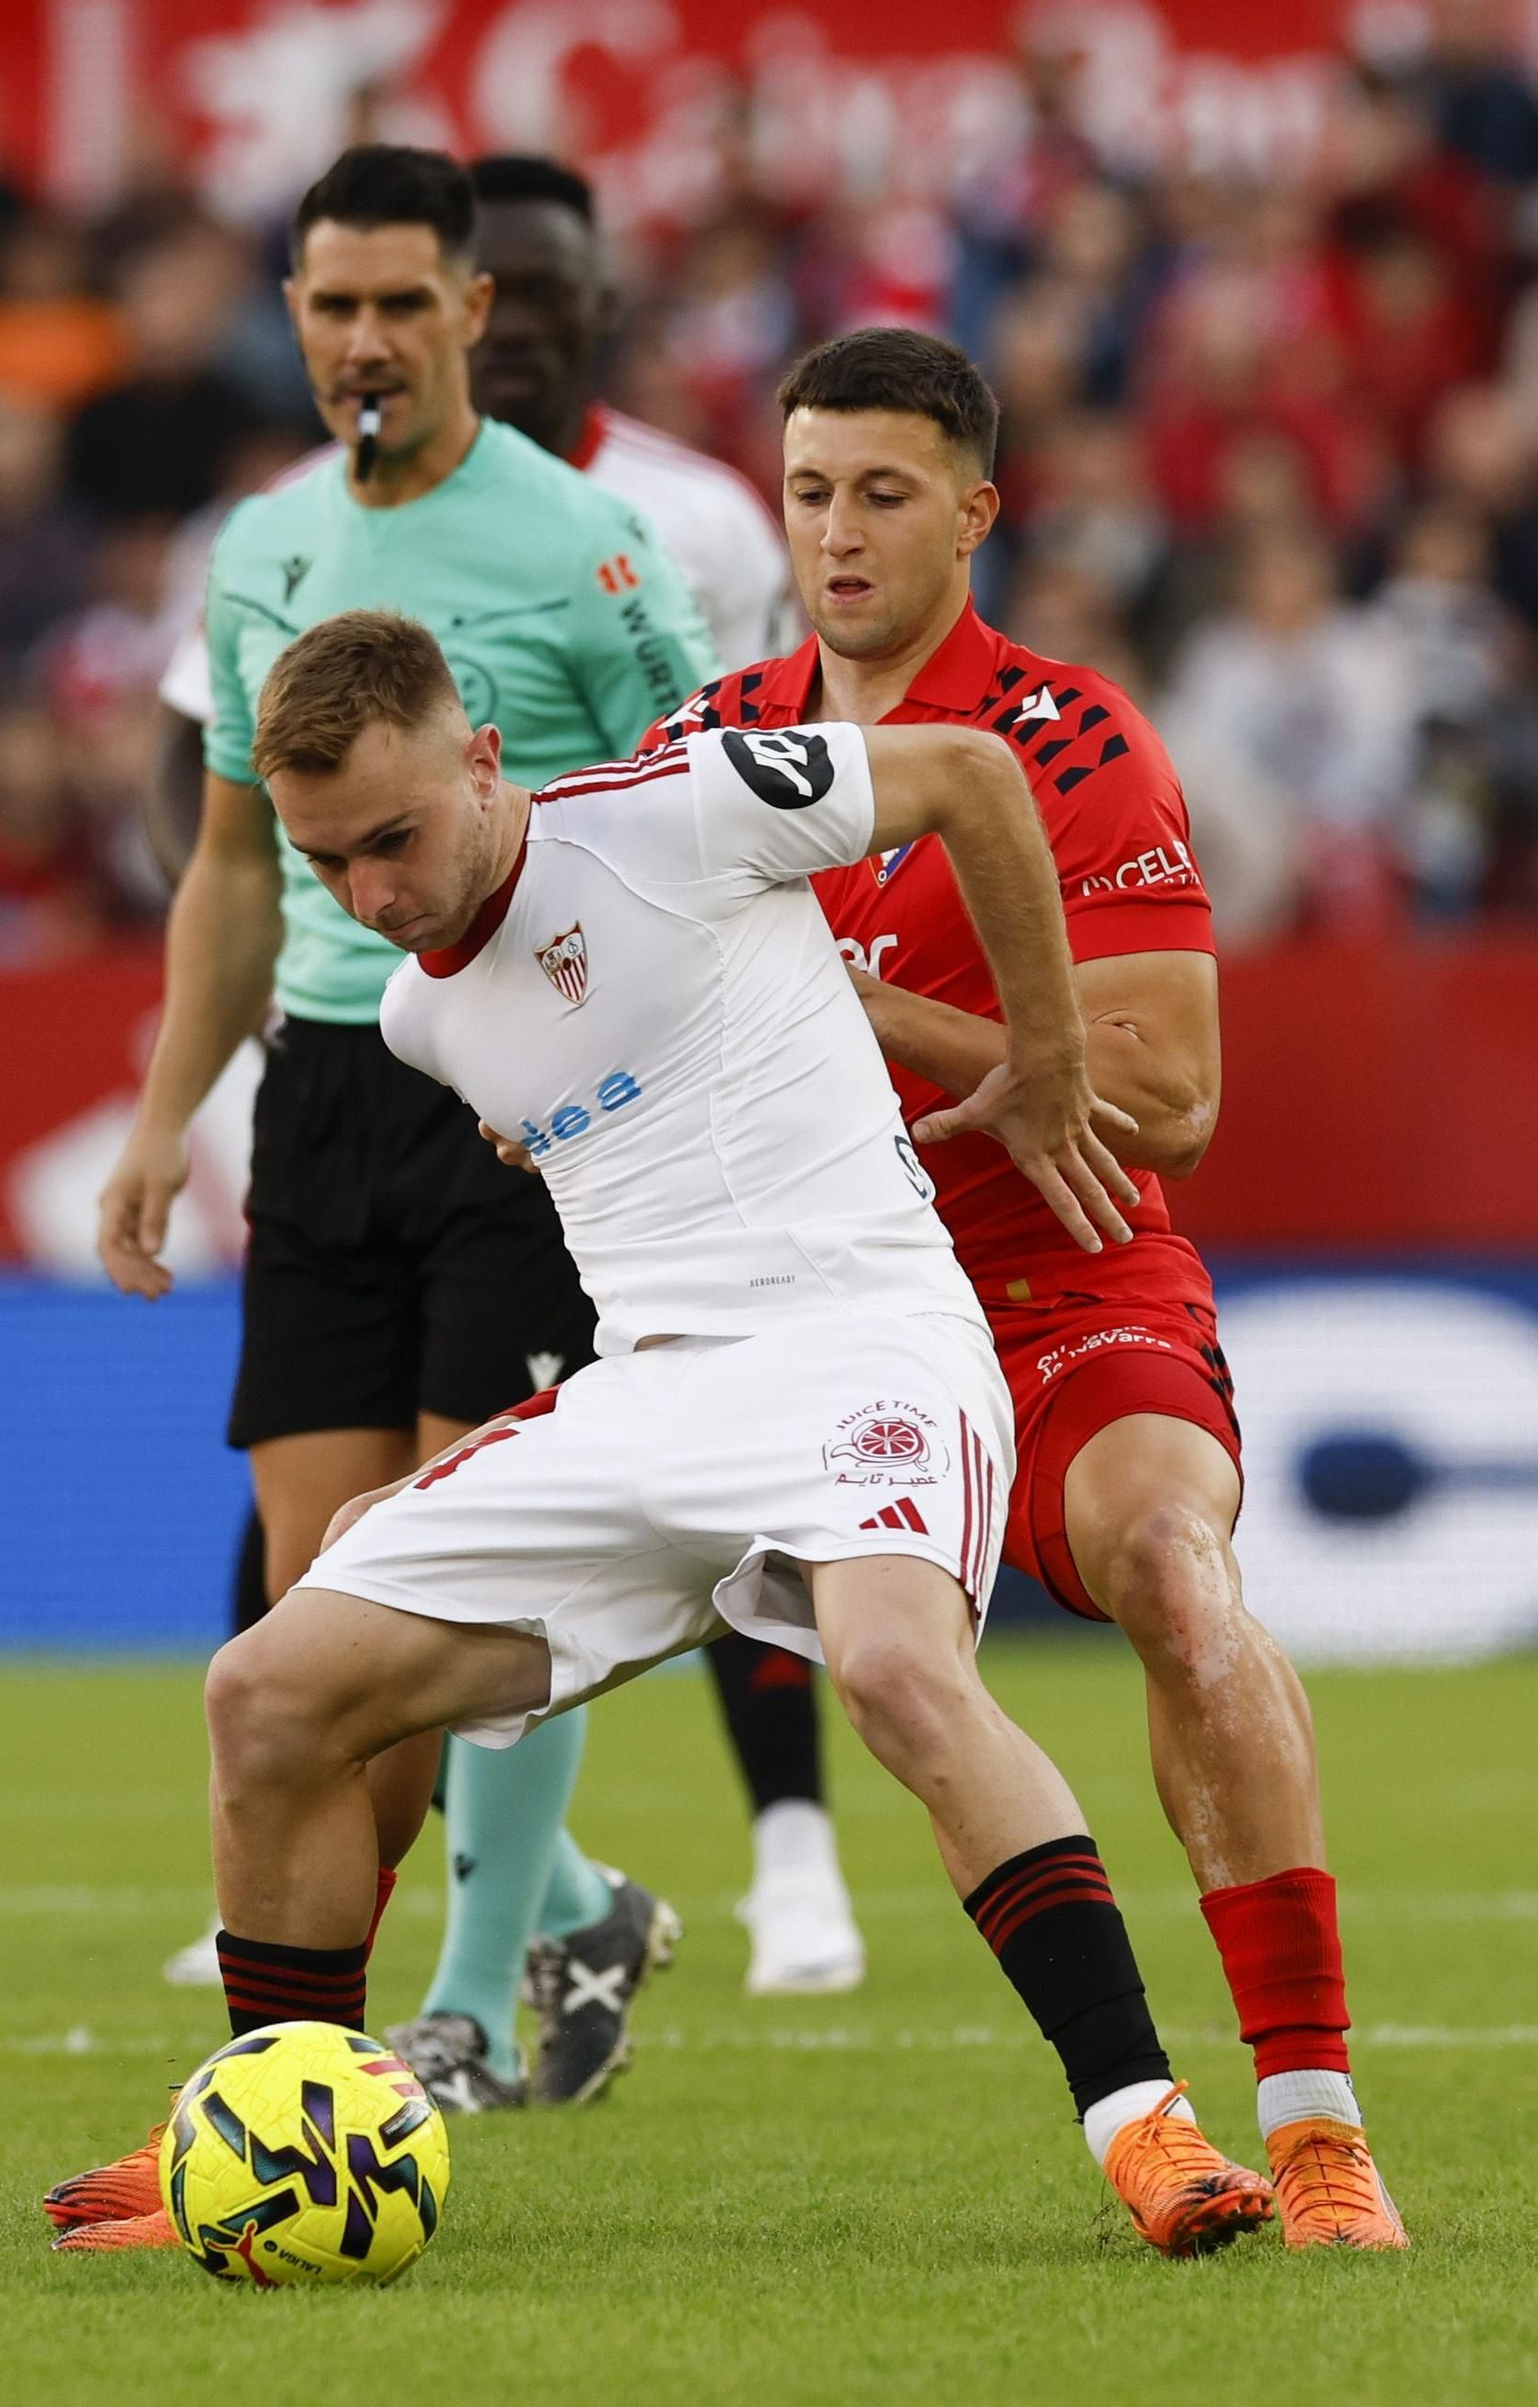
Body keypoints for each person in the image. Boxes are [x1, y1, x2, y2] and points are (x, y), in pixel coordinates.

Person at [55, 605, 1276, 2263]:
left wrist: (1051, 1062)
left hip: (865, 1342)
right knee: (264, 1689)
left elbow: (980, 779)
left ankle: (1149, 2127)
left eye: (396, 840)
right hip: (647, 1391)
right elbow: (584, 1095)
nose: (374, 897)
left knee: (901, 1673)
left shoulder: (678, 810)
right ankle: (255, 2119)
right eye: (327, 862)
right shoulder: (418, 1018)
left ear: (483, 760)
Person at [638, 326, 1407, 2250]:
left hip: (1052, 1277)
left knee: (1170, 1565)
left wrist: (838, 998)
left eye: (883, 495)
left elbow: (1171, 1101)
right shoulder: (697, 747)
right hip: (802, 1310)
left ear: (975, 513)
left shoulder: (1068, 745)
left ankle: (1311, 2122)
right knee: (382, 1603)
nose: (837, 534)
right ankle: (341, 2040)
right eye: (810, 493)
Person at [152, 151, 858, 2020]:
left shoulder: (589, 549)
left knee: (457, 1584)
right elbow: (233, 864)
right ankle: (541, 1924)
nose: (364, 338)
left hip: (523, 1111)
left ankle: (447, 2009)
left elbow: (711, 819)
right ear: (291, 316)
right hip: (321, 1090)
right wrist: (167, 1113)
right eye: (330, 303)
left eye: (401, 300)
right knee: (316, 1606)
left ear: (472, 312)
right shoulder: (254, 551)